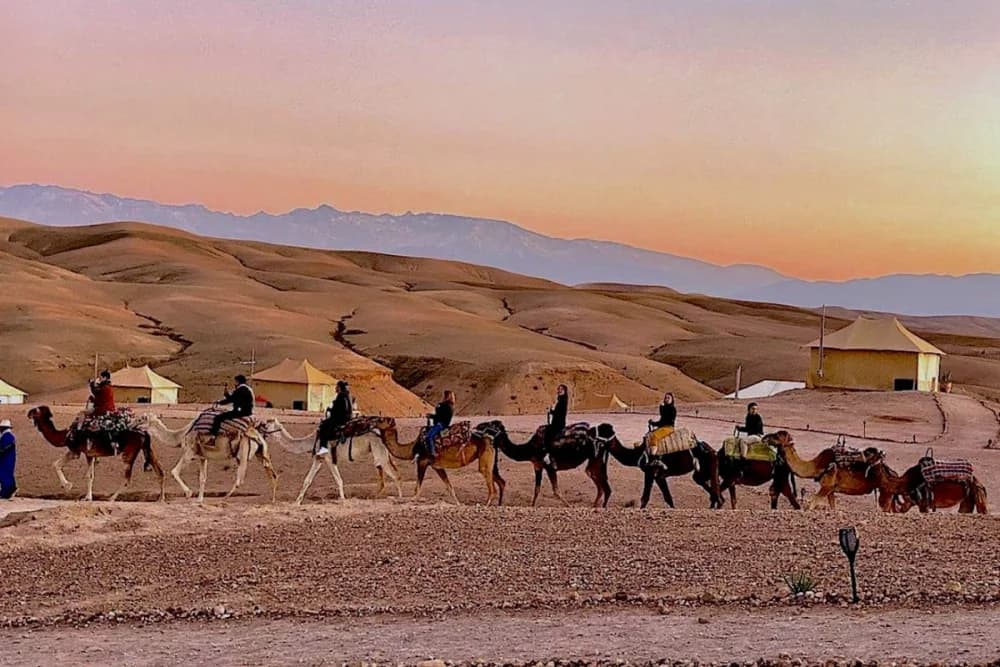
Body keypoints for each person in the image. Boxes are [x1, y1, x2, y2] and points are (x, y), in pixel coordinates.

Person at [316, 380, 352, 456]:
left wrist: (331, 410)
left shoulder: (341, 396)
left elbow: (339, 410)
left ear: (339, 387)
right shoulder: (347, 395)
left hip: (340, 419)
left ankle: (323, 448)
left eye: (336, 386)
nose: (335, 388)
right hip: (346, 418)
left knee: (323, 426)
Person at [543, 385, 569, 465]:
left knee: (548, 435)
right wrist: (551, 411)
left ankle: (548, 454)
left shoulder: (563, 401)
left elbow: (559, 413)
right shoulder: (561, 400)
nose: (559, 390)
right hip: (557, 422)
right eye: (559, 389)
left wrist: (552, 412)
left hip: (558, 423)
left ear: (565, 391)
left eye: (561, 389)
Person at [424, 390, 454, 457]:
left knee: (429, 436)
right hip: (442, 424)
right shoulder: (448, 406)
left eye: (445, 395)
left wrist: (431, 416)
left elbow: (439, 417)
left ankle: (433, 452)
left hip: (441, 425)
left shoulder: (445, 406)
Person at [0, 419, 16, 500]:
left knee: (4, 474)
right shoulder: (8, 436)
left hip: (6, 459)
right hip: (7, 458)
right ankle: (8, 491)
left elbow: (5, 447)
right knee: (7, 474)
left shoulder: (7, 436)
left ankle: (6, 492)